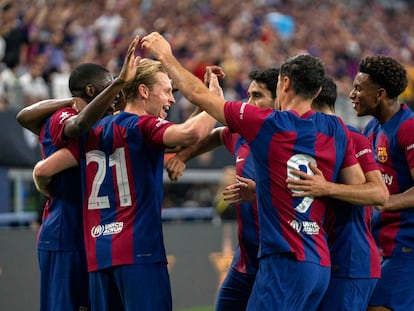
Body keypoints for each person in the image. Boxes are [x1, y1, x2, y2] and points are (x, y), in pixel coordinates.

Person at [139, 32, 377, 311]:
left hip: (285, 258)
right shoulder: (336, 129)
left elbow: (198, 97)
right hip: (319, 264)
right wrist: (318, 188)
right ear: (316, 92)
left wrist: (166, 55)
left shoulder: (269, 123)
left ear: (284, 83)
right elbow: (361, 187)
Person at [32, 58, 222, 310]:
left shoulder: (92, 130)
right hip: (139, 251)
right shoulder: (142, 127)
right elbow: (191, 133)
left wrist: (47, 187)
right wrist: (214, 99)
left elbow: (42, 163)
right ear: (143, 91)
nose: (172, 99)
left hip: (98, 255)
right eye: (167, 91)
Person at [17, 35, 140, 311]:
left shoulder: (102, 124)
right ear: (89, 89)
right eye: (106, 88)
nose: (114, 95)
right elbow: (74, 125)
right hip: (63, 233)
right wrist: (112, 84)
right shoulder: (62, 118)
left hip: (89, 232)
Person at [166, 67, 279, 310]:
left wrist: (259, 191)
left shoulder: (286, 136)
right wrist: (184, 156)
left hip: (277, 253)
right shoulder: (243, 134)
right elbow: (218, 135)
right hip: (246, 255)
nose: (249, 103)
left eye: (257, 96)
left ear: (278, 100)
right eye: (248, 95)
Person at [286, 76, 387, 310]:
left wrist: (326, 188)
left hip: (350, 260)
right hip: (324, 258)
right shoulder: (310, 138)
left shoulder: (351, 137)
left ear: (310, 99)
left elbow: (379, 193)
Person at [349, 55, 414, 311]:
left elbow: (381, 195)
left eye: (358, 88)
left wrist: (385, 201)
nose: (352, 94)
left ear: (380, 95)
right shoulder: (371, 130)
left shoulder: (408, 128)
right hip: (381, 246)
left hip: (407, 246)